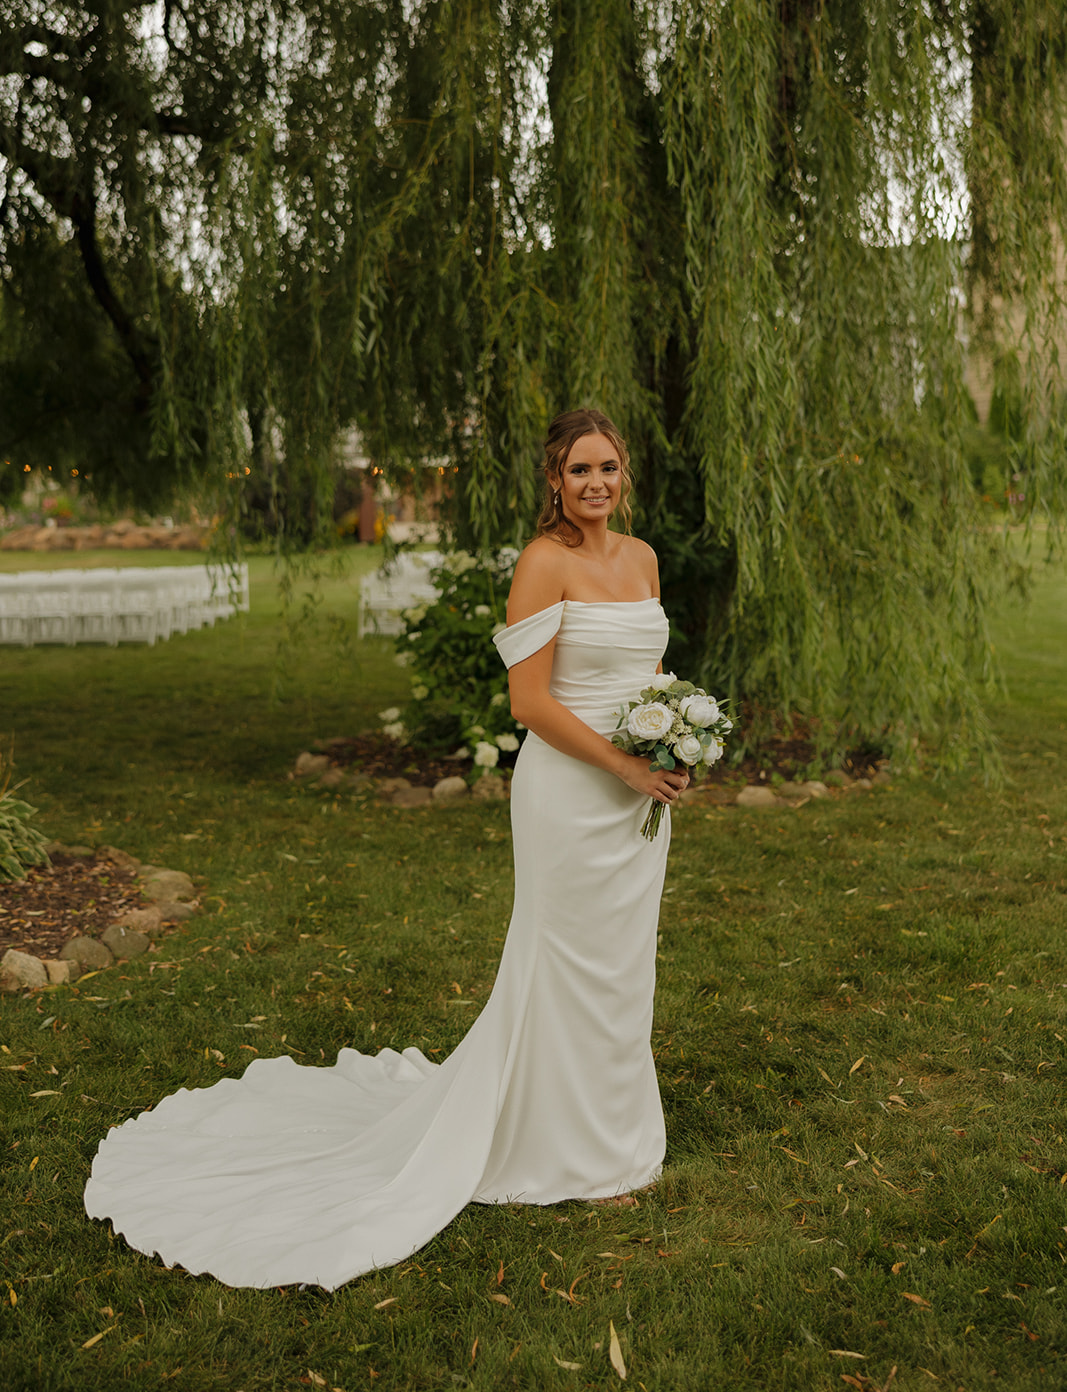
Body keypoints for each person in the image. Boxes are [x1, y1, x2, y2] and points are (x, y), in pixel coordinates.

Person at [84, 407, 688, 1289]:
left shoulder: (642, 560)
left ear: (622, 473)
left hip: (639, 796)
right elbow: (530, 705)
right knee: (563, 963)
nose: (596, 483)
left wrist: (671, 742)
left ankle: (618, 1135)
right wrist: (623, 767)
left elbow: (651, 677)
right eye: (578, 470)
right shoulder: (541, 562)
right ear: (553, 480)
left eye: (608, 468)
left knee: (625, 965)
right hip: (569, 790)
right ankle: (563, 1149)